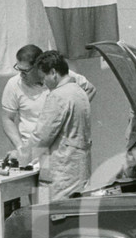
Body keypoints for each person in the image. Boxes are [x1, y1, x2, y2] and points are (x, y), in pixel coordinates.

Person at [1, 44, 96, 161]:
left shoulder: (62, 79)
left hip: (59, 151)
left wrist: (70, 116)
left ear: (39, 68)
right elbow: (7, 119)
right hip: (34, 150)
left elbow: (44, 133)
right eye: (18, 69)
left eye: (25, 71)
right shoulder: (14, 84)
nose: (21, 75)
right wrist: (22, 149)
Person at [18, 51, 92, 200]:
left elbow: (42, 136)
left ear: (53, 72)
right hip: (80, 171)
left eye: (43, 77)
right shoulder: (79, 92)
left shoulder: (58, 96)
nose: (43, 83)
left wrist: (19, 157)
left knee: (51, 219)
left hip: (61, 174)